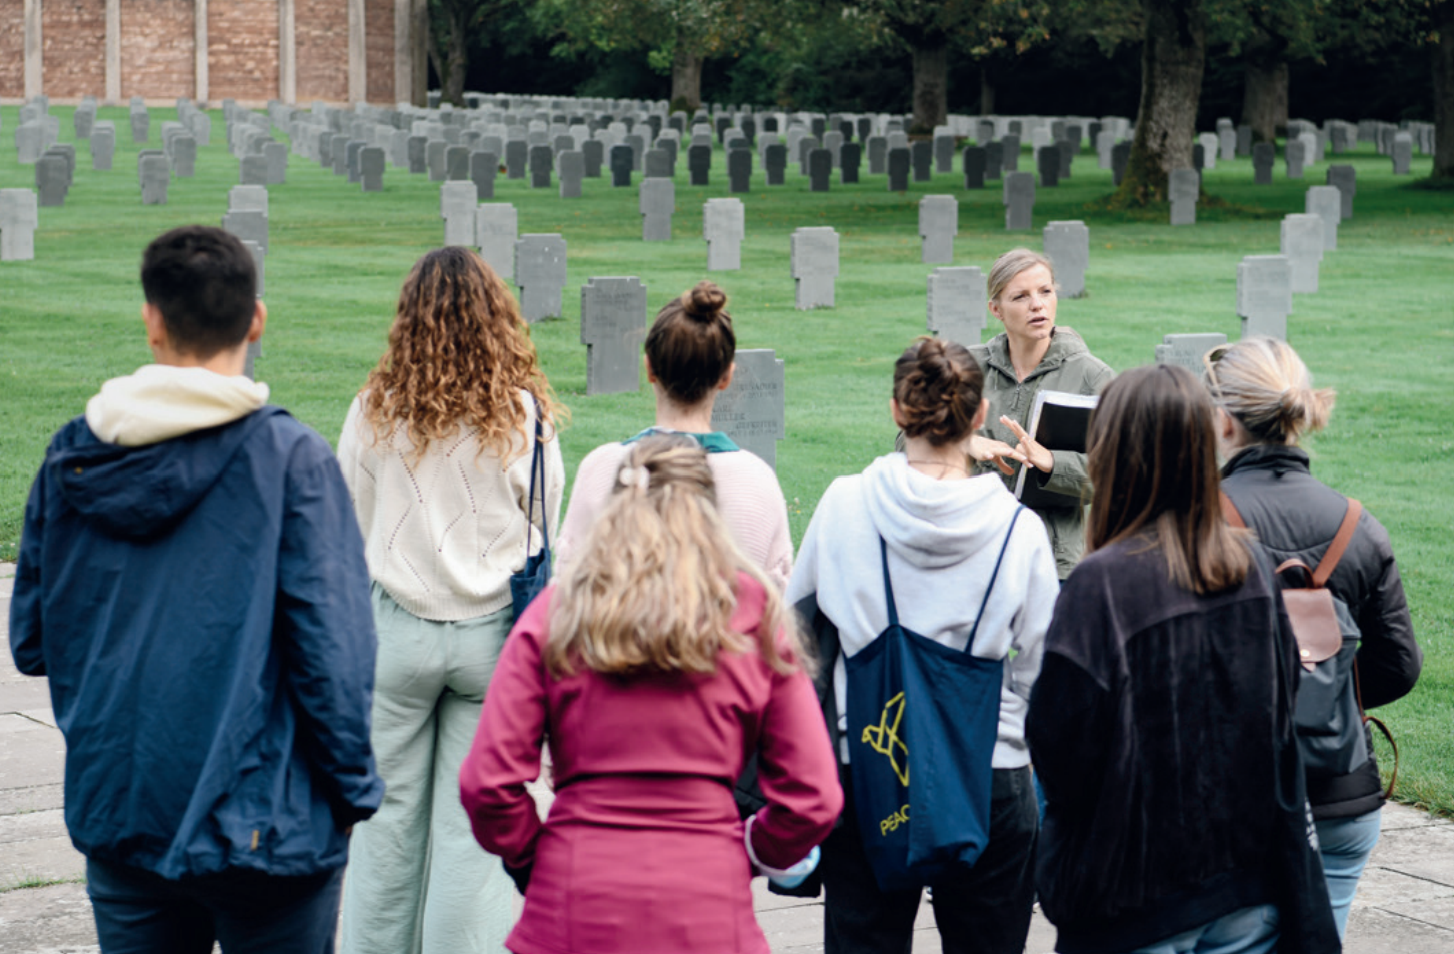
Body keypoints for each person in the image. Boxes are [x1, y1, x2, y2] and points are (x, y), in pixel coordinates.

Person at [8, 225, 382, 953]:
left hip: (125, 804)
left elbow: (33, 639)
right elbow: (334, 653)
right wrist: (352, 792)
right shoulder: (291, 460)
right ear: (256, 320)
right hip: (267, 816)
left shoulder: (69, 458)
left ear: (151, 320)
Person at [459, 435, 842, 954]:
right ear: (708, 513)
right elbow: (812, 796)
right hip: (707, 904)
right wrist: (750, 849)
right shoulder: (751, 612)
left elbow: (488, 783)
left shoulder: (562, 609)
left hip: (574, 898)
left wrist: (532, 855)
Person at [1027, 363, 1335, 954]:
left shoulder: (1100, 586)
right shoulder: (1251, 566)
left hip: (1135, 895)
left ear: (1111, 452)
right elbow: (1279, 710)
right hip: (1242, 883)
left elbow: (1059, 746)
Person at [786, 337, 1057, 954]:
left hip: (870, 768)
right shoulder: (1020, 532)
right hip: (991, 773)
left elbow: (793, 642)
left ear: (896, 411)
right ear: (980, 415)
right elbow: (1043, 675)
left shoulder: (842, 504)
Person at [336, 247, 564, 954]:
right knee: (473, 826)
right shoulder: (525, 415)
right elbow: (544, 522)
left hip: (395, 630)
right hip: (493, 637)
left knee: (385, 822)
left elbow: (348, 516)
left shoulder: (374, 409)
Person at [1206, 336, 1421, 938]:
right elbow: (1399, 665)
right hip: (1340, 788)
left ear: (1223, 421)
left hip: (1231, 794)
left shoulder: (1194, 522)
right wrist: (1319, 698)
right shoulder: (1358, 523)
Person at [557, 280, 793, 588]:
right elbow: (776, 603)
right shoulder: (756, 479)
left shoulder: (601, 468)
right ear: (727, 376)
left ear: (649, 368)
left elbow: (564, 589)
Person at [968, 248, 1114, 580]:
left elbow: (1126, 472)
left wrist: (1052, 463)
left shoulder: (1095, 377)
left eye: (1045, 291)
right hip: (973, 551)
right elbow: (911, 440)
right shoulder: (967, 368)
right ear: (996, 309)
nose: (1037, 304)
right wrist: (960, 444)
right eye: (1020, 296)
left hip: (1053, 564)